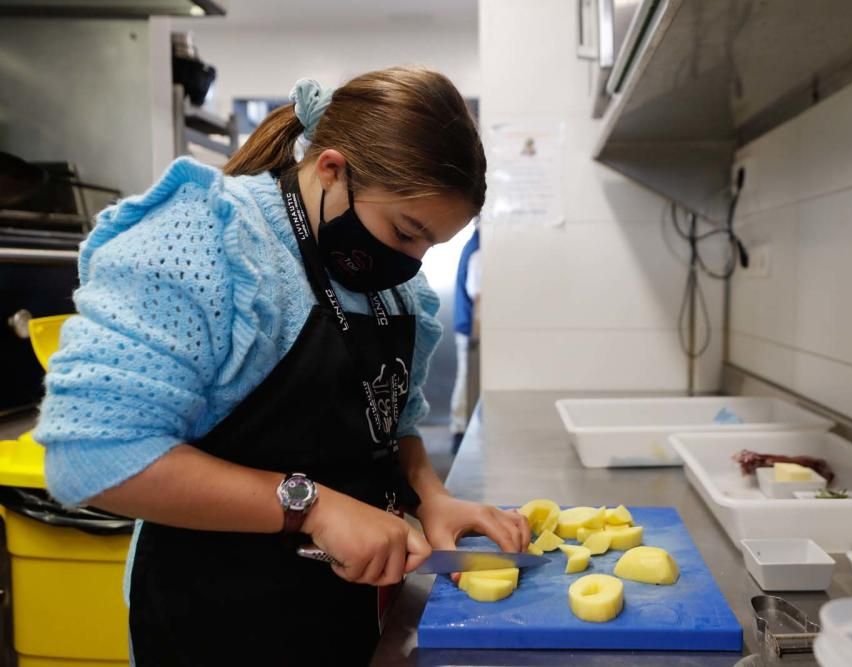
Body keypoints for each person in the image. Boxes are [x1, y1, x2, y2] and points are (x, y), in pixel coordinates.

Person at [34, 67, 530, 666]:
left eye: (430, 246)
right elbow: (91, 454)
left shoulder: (396, 293)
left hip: (346, 612)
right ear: (331, 170)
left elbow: (389, 423)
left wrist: (430, 497)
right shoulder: (209, 242)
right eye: (404, 232)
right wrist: (314, 507)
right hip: (214, 619)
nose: (412, 263)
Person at [450, 222, 480, 453]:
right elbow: (480, 299)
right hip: (470, 329)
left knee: (466, 379)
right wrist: (476, 339)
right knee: (467, 379)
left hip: (466, 324)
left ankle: (460, 429)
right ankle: (460, 432)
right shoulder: (479, 251)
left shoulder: (473, 246)